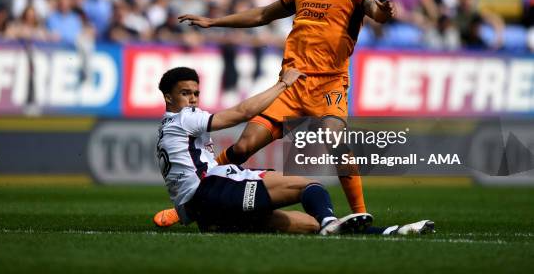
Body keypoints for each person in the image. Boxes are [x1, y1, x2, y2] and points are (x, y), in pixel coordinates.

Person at [155, 0, 397, 227]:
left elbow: (375, 11)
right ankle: (192, 204)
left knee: (338, 144)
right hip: (290, 88)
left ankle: (360, 214)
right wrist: (212, 21)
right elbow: (261, 15)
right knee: (243, 147)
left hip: (329, 87)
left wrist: (384, 13)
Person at [156, 66, 434, 235]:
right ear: (169, 97)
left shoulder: (168, 128)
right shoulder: (185, 119)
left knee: (309, 226)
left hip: (207, 211)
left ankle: (387, 232)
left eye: (196, 93)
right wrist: (283, 84)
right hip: (212, 192)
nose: (193, 99)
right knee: (309, 186)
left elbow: (185, 177)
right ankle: (329, 220)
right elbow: (242, 112)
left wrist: (181, 213)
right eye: (185, 93)